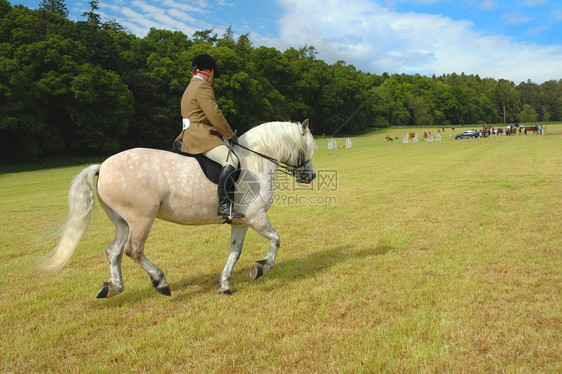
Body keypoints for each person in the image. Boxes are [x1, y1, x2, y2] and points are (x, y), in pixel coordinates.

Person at [176, 54, 244, 219]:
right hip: (200, 136)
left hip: (187, 135)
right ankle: (225, 205)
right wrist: (229, 135)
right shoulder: (203, 87)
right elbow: (214, 114)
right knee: (231, 161)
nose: (213, 78)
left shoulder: (190, 87)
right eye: (213, 73)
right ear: (208, 71)